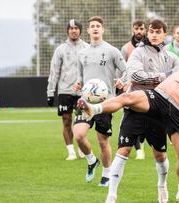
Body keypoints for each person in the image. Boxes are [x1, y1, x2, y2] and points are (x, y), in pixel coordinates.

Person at [79, 47, 179, 203]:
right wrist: (128, 80)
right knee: (127, 97)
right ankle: (94, 108)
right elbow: (163, 75)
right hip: (159, 96)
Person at [106, 19, 179, 203]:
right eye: (151, 31)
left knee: (160, 155)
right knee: (123, 151)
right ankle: (111, 196)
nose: (154, 35)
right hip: (135, 110)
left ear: (165, 34)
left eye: (158, 32)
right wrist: (163, 77)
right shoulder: (138, 52)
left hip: (157, 113)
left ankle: (161, 185)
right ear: (148, 33)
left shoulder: (170, 57)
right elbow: (134, 75)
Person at [72, 16, 127, 187]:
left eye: (98, 26)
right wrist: (78, 84)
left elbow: (126, 70)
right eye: (92, 26)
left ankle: (106, 174)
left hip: (105, 103)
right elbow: (80, 78)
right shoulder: (82, 54)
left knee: (102, 141)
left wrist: (122, 80)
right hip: (84, 101)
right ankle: (91, 160)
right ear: (88, 31)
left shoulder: (112, 51)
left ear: (102, 29)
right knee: (79, 136)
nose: (95, 28)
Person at [46, 19, 89, 161]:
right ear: (67, 31)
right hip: (65, 90)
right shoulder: (60, 49)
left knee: (81, 121)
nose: (74, 30)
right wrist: (50, 92)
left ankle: (81, 148)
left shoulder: (87, 48)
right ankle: (71, 152)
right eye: (71, 28)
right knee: (66, 120)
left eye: (76, 28)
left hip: (82, 91)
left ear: (80, 31)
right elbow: (54, 71)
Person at [120, 19, 147, 160]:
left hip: (148, 88)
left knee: (146, 119)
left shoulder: (151, 47)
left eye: (141, 28)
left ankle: (141, 142)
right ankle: (138, 150)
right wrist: (123, 83)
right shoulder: (126, 48)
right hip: (131, 89)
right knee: (132, 118)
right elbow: (123, 69)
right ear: (133, 29)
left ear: (145, 30)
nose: (139, 31)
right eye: (136, 28)